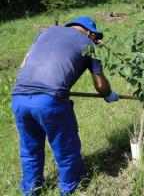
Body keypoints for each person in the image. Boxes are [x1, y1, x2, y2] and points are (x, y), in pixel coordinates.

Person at [11, 16, 119, 195]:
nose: (95, 41)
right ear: (89, 33)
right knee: (65, 148)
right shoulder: (89, 44)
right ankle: (69, 189)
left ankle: (31, 190)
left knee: (30, 149)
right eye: (95, 38)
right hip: (49, 101)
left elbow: (24, 65)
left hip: (19, 96)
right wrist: (109, 94)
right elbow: (100, 85)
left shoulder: (44, 33)